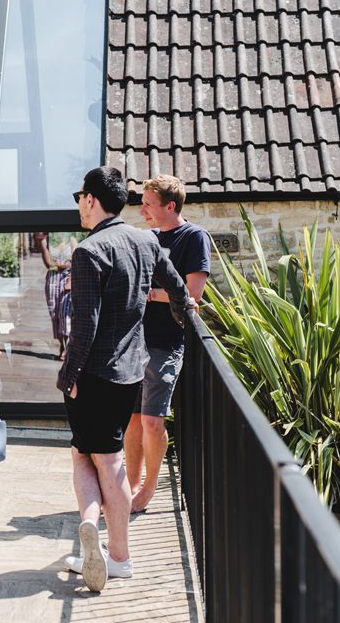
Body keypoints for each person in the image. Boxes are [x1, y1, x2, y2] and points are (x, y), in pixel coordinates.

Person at [57, 167, 190, 592]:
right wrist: (184, 312)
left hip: (95, 375)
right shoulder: (144, 240)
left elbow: (86, 325)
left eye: (81, 195)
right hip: (133, 371)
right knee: (97, 452)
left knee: (93, 458)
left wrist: (68, 375)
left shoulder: (89, 251)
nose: (79, 203)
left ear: (92, 199)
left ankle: (118, 555)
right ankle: (93, 535)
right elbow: (176, 285)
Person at [129, 175, 210, 513]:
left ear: (170, 206)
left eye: (148, 203)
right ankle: (129, 487)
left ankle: (148, 489)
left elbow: (192, 296)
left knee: (152, 420)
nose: (142, 209)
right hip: (134, 342)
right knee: (132, 418)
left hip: (167, 341)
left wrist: (148, 293)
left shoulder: (194, 237)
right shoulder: (146, 238)